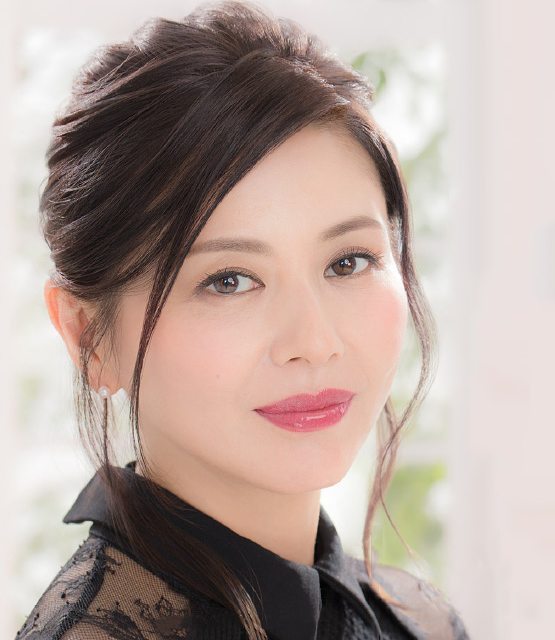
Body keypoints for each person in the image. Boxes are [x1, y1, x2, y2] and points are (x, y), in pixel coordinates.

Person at [14, 1, 470, 638]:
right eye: (228, 280)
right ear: (89, 337)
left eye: (348, 262)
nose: (314, 342)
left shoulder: (420, 619)